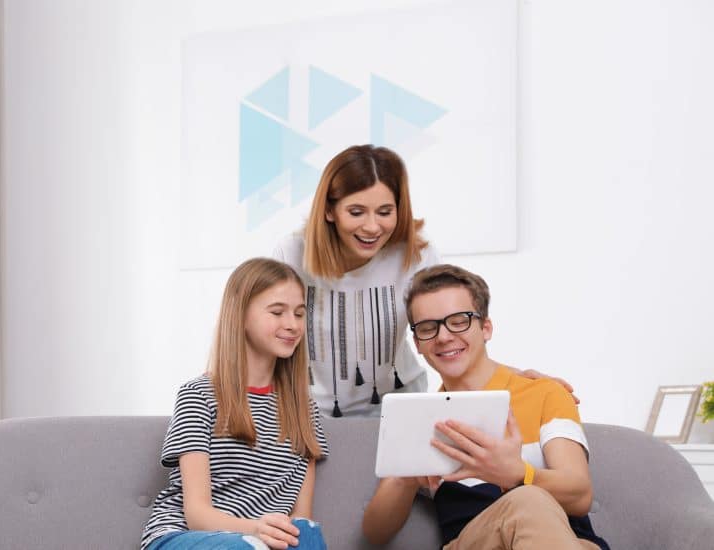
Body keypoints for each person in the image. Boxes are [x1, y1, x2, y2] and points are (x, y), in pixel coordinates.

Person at [361, 264, 609, 549]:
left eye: (459, 321)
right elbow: (375, 533)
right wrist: (404, 481)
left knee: (532, 501)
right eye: (429, 328)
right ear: (417, 343)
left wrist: (517, 474)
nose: (443, 337)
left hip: (570, 540)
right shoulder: (421, 419)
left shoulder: (545, 393)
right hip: (474, 542)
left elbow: (579, 495)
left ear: (486, 328)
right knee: (527, 499)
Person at [140, 258, 330, 550]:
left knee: (308, 533)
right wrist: (256, 529)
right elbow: (197, 515)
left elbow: (300, 516)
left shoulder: (304, 408)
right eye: (277, 312)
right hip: (188, 537)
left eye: (299, 313)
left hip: (265, 543)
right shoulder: (199, 395)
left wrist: (280, 536)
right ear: (241, 315)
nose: (292, 325)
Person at [273, 144, 439, 417]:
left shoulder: (416, 255)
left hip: (398, 406)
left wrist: (501, 375)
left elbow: (449, 330)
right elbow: (262, 338)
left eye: (385, 212)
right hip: (310, 413)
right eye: (356, 212)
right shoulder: (291, 254)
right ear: (329, 211)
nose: (372, 227)